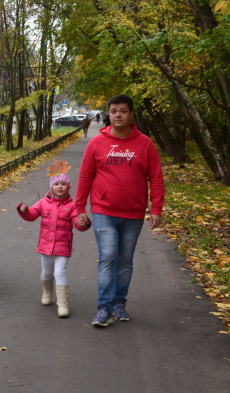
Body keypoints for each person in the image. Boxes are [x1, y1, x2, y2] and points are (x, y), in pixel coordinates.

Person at [75, 94, 165, 327]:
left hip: (133, 213)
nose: (118, 115)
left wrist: (156, 208)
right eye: (114, 111)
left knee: (125, 261)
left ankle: (119, 303)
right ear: (108, 114)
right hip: (104, 211)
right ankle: (103, 308)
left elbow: (155, 177)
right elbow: (85, 176)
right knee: (108, 257)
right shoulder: (97, 143)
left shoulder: (145, 143)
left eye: (123, 111)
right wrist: (79, 207)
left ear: (130, 114)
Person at [17, 171, 91, 318]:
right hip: (45, 246)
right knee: (47, 273)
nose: (60, 187)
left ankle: (63, 304)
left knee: (59, 273)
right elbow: (32, 214)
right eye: (56, 184)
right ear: (51, 187)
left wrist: (84, 223)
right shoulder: (43, 203)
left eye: (63, 184)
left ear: (68, 186)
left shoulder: (72, 206)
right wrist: (23, 210)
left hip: (63, 246)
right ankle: (47, 292)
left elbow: (78, 223)